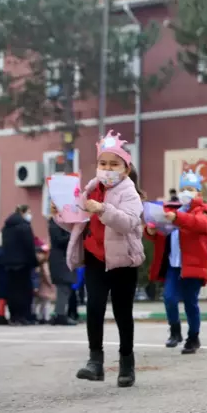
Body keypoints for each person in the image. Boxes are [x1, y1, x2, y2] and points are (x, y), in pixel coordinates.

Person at [52, 130, 144, 388]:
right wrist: (60, 215)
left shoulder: (130, 193)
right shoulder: (90, 189)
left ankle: (127, 364)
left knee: (122, 313)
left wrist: (103, 209)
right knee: (94, 308)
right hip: (95, 258)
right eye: (103, 163)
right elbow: (78, 225)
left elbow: (128, 223)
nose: (107, 169)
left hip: (123, 260)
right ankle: (95, 362)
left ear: (126, 169)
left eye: (114, 164)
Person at [146, 170, 207, 355]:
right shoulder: (173, 211)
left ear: (199, 193)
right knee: (169, 298)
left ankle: (193, 337)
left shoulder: (205, 211)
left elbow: (200, 224)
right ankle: (175, 331)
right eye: (184, 188)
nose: (186, 192)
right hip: (173, 265)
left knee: (190, 302)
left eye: (191, 189)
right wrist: (152, 231)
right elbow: (163, 236)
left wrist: (177, 218)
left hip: (192, 265)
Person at [1, 205, 38, 325]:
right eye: (29, 212)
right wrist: (34, 262)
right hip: (23, 264)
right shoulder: (24, 227)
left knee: (12, 291)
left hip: (9, 264)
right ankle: (23, 316)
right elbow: (29, 247)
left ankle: (14, 316)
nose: (30, 215)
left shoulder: (6, 228)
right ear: (22, 212)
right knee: (24, 291)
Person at [48, 218, 78, 325]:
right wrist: (74, 234)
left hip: (63, 259)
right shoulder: (55, 223)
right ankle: (60, 315)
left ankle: (59, 314)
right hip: (60, 260)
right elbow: (59, 240)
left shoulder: (59, 223)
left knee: (65, 289)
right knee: (63, 288)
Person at [34, 244, 55, 325]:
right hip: (44, 287)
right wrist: (51, 284)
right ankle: (45, 317)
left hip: (39, 286)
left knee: (37, 302)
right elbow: (47, 275)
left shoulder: (37, 263)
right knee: (45, 303)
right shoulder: (45, 263)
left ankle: (38, 316)